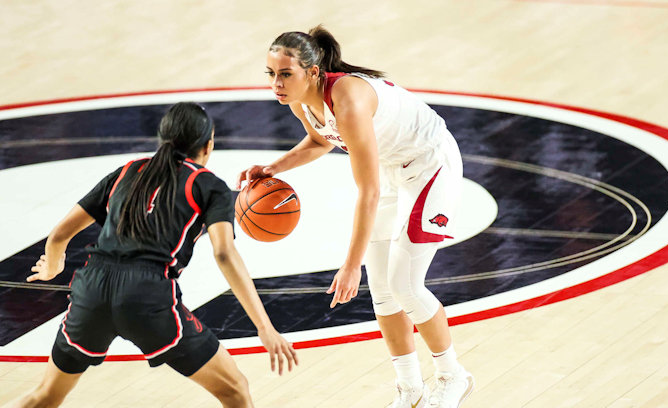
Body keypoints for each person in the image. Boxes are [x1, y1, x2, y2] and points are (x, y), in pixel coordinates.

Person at [239, 26, 473, 408]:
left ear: (313, 73)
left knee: (406, 286)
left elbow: (368, 192)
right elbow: (319, 141)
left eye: (285, 74)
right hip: (391, 166)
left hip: (431, 164)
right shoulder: (302, 101)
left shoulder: (347, 100)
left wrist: (350, 266)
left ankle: (453, 376)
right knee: (382, 291)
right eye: (271, 74)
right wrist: (273, 168)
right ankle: (410, 387)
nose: (276, 84)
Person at [10, 102, 298, 408]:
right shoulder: (207, 185)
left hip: (91, 288)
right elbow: (224, 253)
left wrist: (53, 266)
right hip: (147, 295)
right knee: (235, 389)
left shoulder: (127, 171)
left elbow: (58, 236)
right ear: (208, 145)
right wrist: (265, 328)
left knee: (45, 396)